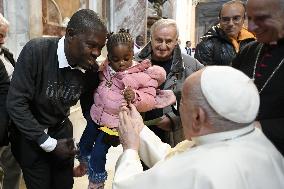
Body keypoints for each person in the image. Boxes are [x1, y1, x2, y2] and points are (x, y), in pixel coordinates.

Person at [113, 66, 284, 189]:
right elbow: (173, 161)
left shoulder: (200, 170)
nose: (179, 108)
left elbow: (127, 186)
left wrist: (129, 150)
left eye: (183, 102)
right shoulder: (247, 140)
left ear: (197, 117)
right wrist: (139, 130)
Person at [6, 9, 107, 189]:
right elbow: (16, 104)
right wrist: (49, 143)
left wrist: (103, 134)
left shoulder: (90, 69)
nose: (96, 53)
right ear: (70, 34)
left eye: (100, 47)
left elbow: (90, 109)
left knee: (64, 184)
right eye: (91, 45)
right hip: (29, 134)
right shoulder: (37, 52)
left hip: (61, 133)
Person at [73, 29, 176, 189]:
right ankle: (84, 165)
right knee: (85, 143)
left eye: (126, 58)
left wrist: (134, 96)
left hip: (114, 125)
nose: (121, 63)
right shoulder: (106, 68)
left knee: (98, 154)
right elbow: (98, 82)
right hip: (96, 116)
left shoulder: (142, 75)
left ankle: (96, 182)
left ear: (132, 54)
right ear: (109, 57)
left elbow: (149, 100)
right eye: (115, 59)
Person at [135, 18, 203, 146]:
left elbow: (201, 100)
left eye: (169, 41)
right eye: (158, 40)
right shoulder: (135, 63)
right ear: (151, 38)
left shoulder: (191, 66)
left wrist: (175, 120)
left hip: (175, 136)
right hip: (140, 134)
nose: (163, 46)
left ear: (176, 41)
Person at [232, 0, 284, 156]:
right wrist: (180, 96)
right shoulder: (250, 50)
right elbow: (225, 88)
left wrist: (260, 128)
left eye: (261, 19)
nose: (251, 28)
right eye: (250, 18)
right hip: (244, 155)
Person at [194, 0, 255, 66]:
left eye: (236, 18)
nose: (230, 23)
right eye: (225, 19)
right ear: (219, 21)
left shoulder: (252, 42)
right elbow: (203, 75)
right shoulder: (207, 46)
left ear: (244, 19)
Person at [0, 13, 21, 189]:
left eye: (4, 34)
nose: (3, 39)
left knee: (13, 168)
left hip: (9, 122)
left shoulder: (6, 54)